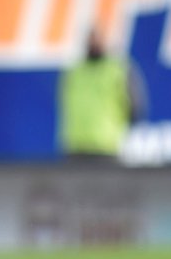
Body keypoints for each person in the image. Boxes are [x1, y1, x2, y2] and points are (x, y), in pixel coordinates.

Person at [57, 26, 147, 164]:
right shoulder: (74, 72)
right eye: (91, 38)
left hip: (107, 148)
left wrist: (117, 130)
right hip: (76, 147)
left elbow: (136, 107)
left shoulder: (118, 70)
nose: (93, 42)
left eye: (98, 38)